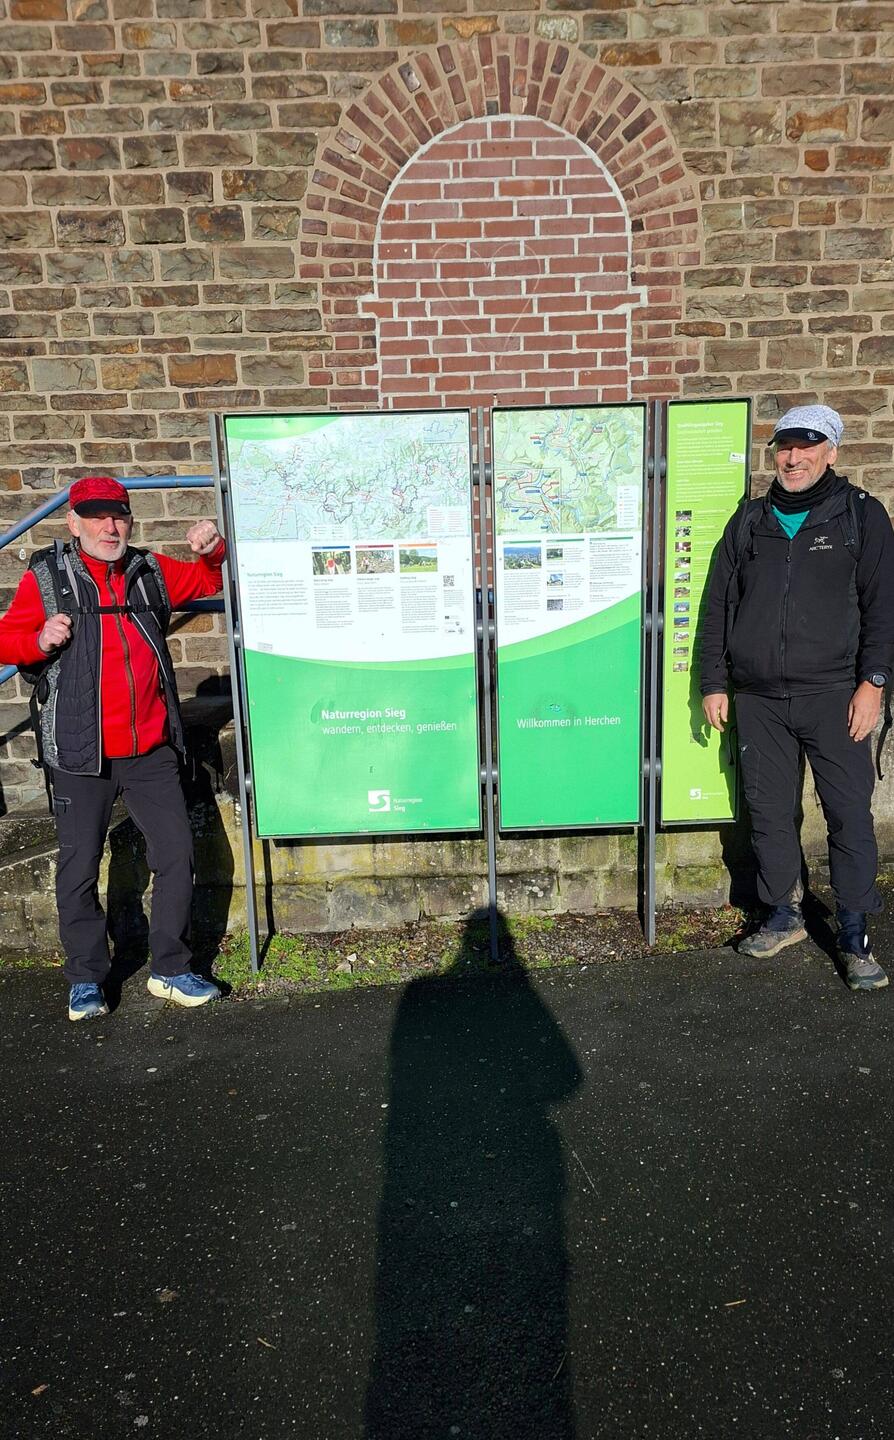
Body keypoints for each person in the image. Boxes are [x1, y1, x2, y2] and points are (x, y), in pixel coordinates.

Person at [0, 475, 226, 1020]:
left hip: (149, 748)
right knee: (79, 867)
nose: (111, 526)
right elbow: (7, 636)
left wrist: (213, 551)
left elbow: (201, 579)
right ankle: (86, 978)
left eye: (119, 515)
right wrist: (35, 642)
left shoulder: (148, 569)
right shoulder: (49, 576)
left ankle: (170, 968)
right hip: (80, 751)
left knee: (175, 856)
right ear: (73, 523)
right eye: (97, 517)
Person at [700, 405, 894, 991]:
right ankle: (784, 914)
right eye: (785, 446)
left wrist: (874, 683)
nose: (793, 456)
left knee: (848, 815)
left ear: (831, 452)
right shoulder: (749, 521)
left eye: (808, 446)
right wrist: (714, 680)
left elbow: (883, 608)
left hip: (836, 695)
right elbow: (717, 606)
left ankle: (855, 931)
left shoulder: (861, 517)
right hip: (759, 699)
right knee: (769, 813)